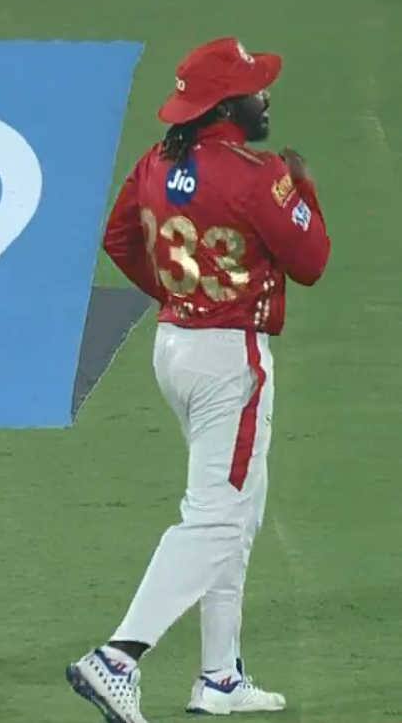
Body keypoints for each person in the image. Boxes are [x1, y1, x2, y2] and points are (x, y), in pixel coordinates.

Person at [66, 37, 331, 723]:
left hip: (175, 346)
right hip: (229, 360)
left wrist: (182, 294)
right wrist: (301, 188)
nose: (265, 96)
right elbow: (311, 261)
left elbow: (119, 239)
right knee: (215, 519)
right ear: (227, 105)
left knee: (236, 509)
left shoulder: (157, 161)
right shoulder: (258, 175)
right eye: (254, 88)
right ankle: (118, 657)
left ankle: (219, 676)